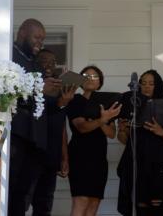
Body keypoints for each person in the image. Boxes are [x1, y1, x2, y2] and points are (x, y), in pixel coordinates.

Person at [9, 19, 62, 215]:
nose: (40, 42)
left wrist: (61, 99)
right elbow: (5, 87)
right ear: (22, 33)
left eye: (43, 39)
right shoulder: (8, 55)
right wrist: (39, 86)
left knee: (24, 194)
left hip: (35, 140)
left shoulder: (35, 63)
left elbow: (44, 104)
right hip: (17, 134)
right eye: (37, 37)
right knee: (12, 190)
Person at [117, 69, 163, 216]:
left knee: (158, 206)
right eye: (143, 83)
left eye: (151, 84)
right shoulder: (132, 106)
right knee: (139, 205)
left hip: (159, 162)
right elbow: (124, 140)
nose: (146, 87)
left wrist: (162, 132)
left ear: (157, 86)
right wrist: (121, 130)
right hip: (137, 162)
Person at [66, 65, 121, 216]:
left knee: (93, 202)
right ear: (80, 80)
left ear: (100, 82)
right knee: (81, 199)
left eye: (95, 77)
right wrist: (102, 119)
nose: (90, 79)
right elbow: (82, 127)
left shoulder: (105, 103)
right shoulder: (75, 100)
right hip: (80, 155)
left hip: (99, 157)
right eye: (86, 75)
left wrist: (102, 119)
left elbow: (111, 134)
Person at [27, 49, 77, 216]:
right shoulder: (30, 87)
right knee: (23, 201)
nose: (48, 65)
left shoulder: (61, 90)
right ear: (36, 62)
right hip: (32, 152)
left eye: (52, 61)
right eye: (44, 60)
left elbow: (61, 126)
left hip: (52, 154)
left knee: (44, 205)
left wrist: (64, 156)